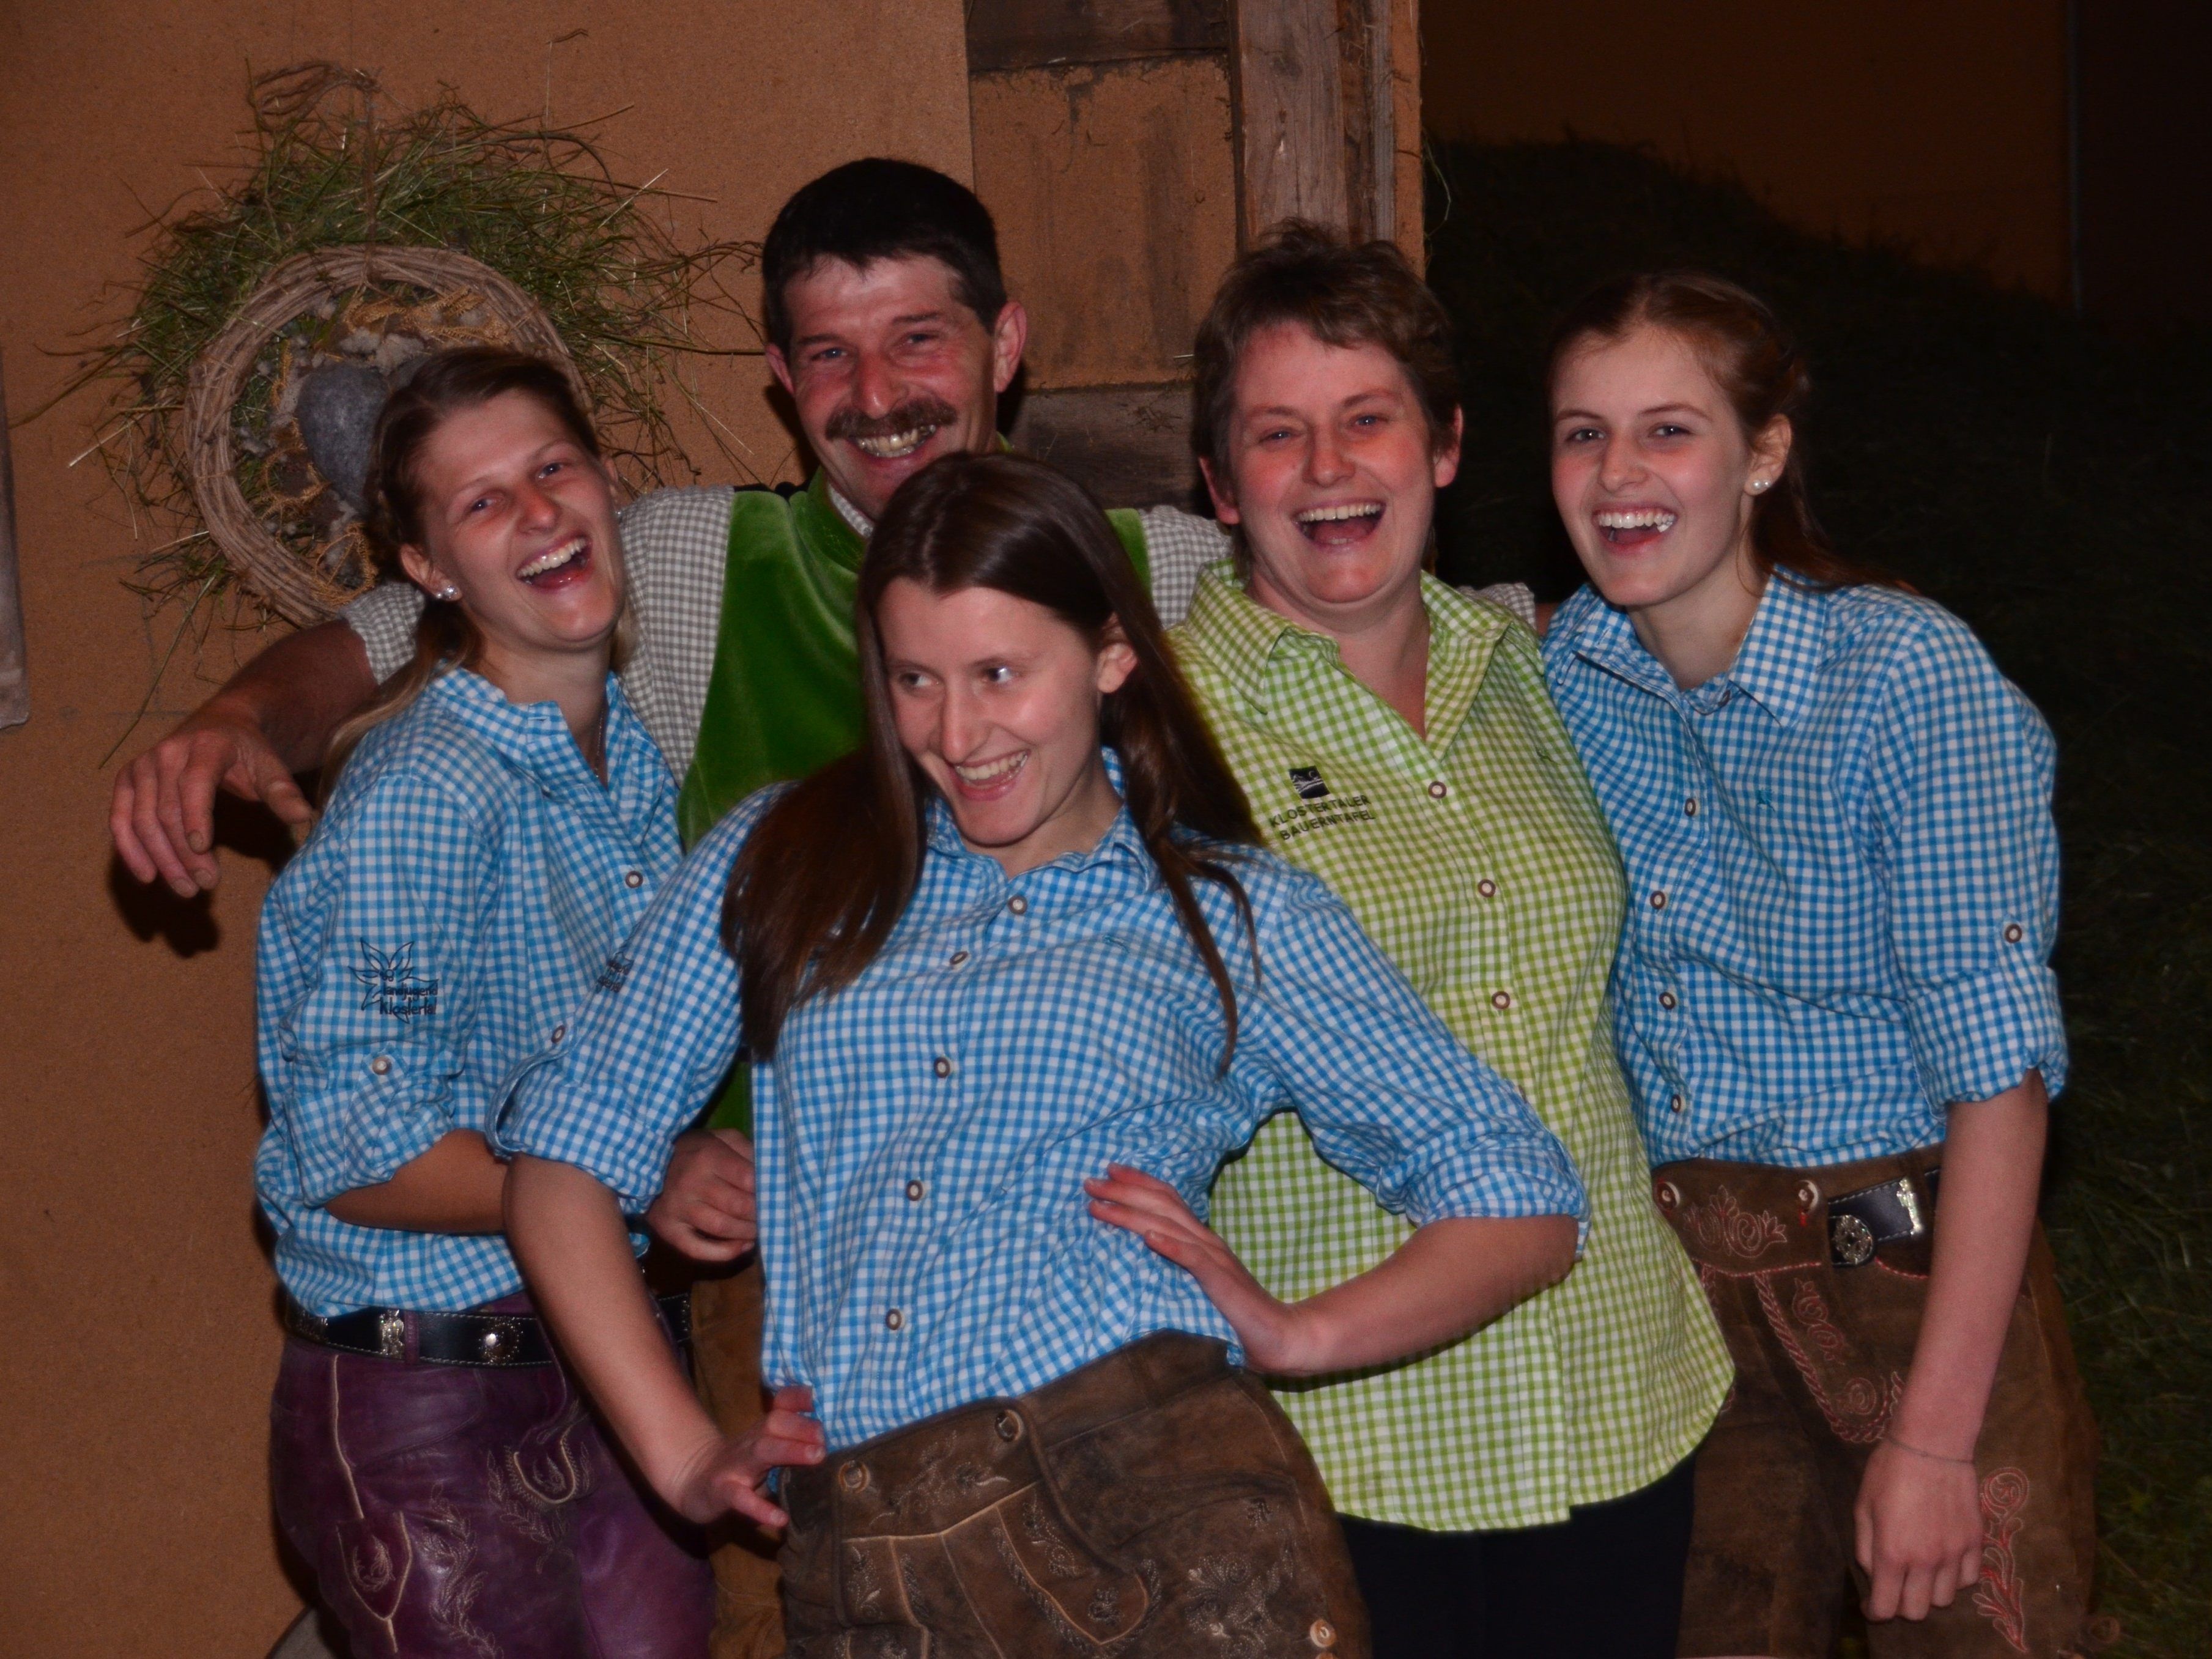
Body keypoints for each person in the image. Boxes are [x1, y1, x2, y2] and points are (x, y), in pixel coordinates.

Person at [106, 157, 1234, 1653]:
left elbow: (1362, 587)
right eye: (830, 353)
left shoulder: (1148, 566)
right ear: (780, 381)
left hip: (1057, 1262)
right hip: (748, 1279)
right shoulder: (700, 564)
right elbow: (408, 621)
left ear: (1006, 347)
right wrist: (246, 711)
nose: (878, 391)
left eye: (920, 339)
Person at [497, 451, 1592, 1659]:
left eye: (1000, 674)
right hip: (865, 1553)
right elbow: (561, 1156)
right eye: (915, 679)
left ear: (1112, 656)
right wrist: (684, 1455)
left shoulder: (1232, 913)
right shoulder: (784, 854)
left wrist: (1299, 1334)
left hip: (1154, 1511)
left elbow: (1518, 1194)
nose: (956, 733)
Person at [1164, 223, 1734, 1658]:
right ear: (1222, 484)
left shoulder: (1542, 675)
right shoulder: (1154, 736)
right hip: (1348, 1442)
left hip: (1616, 1399)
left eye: (1370, 420)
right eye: (1278, 435)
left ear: (1446, 447)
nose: (1330, 468)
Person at [1537, 271, 2096, 1659]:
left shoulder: (1905, 680)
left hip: (1905, 1279)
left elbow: (2002, 1082)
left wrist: (1938, 1441)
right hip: (1685, 1308)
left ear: (1764, 453)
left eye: (1668, 431)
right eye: (1580, 434)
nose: (1618, 475)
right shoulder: (1569, 667)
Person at [254, 348, 712, 1656]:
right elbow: (352, 1147)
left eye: (553, 470)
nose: (539, 512)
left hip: (609, 1362)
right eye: (482, 501)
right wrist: (633, 1178)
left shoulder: (630, 764)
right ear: (428, 571)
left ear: (610, 487)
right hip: (426, 1394)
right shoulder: (428, 789)